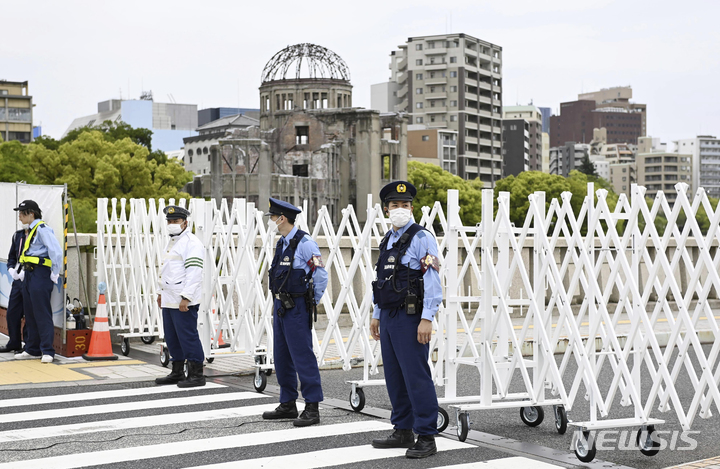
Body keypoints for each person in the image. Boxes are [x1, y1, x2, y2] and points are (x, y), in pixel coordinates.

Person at [369, 181, 443, 459]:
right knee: (395, 377)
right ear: (386, 209)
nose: (400, 209)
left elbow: (432, 279)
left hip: (412, 317)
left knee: (416, 376)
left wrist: (427, 318)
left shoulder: (422, 237)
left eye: (405, 205)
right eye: (394, 205)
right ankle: (402, 429)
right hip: (388, 315)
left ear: (412, 208)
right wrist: (377, 314)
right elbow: (381, 280)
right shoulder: (388, 239)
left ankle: (426, 435)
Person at [261, 198, 328, 427]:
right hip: (280, 306)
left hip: (297, 306)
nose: (270, 221)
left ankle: (312, 406)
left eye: (272, 217)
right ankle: (288, 403)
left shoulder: (305, 243)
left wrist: (311, 302)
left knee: (302, 356)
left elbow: (320, 274)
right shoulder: (282, 243)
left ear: (282, 218)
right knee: (281, 356)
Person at [155, 205, 206, 388]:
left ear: (185, 222)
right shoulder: (171, 242)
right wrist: (160, 293)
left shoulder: (192, 243)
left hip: (183, 299)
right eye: (169, 221)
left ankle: (196, 374)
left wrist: (186, 297)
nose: (171, 224)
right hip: (169, 297)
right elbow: (166, 270)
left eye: (175, 221)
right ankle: (177, 371)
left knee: (187, 336)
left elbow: (194, 273)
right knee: (172, 336)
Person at [13, 200, 63, 363]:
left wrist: (55, 272)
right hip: (28, 273)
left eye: (22, 213)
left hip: (40, 273)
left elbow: (55, 251)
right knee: (30, 313)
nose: (19, 216)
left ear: (31, 213)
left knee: (41, 312)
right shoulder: (30, 230)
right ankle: (32, 348)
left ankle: (47, 350)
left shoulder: (42, 229)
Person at [0, 226, 29, 354]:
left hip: (30, 277)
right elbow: (12, 256)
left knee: (29, 313)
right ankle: (14, 342)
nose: (20, 217)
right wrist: (11, 268)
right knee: (12, 311)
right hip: (18, 278)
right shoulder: (18, 235)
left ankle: (28, 344)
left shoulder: (37, 234)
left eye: (22, 214)